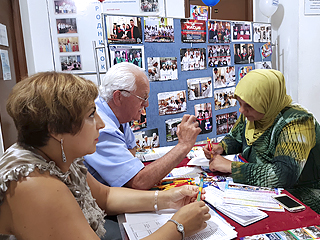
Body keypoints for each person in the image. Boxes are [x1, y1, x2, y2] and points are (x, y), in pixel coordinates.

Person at [0, 71, 210, 240]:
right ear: (55, 130)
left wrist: (167, 199)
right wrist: (178, 227)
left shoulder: (58, 155)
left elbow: (106, 197)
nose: (101, 124)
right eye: (91, 115)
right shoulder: (34, 184)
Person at [203, 69, 320, 214]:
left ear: (267, 101)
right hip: (263, 191)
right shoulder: (253, 115)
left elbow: (282, 176)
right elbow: (236, 138)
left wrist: (232, 167)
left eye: (249, 106)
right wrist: (221, 147)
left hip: (300, 196)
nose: (241, 110)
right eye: (240, 103)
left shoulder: (298, 122)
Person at [84, 62, 201, 190]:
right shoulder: (102, 127)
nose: (146, 104)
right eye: (142, 98)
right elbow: (138, 182)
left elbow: (131, 149)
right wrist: (183, 145)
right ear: (118, 97)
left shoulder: (118, 113)